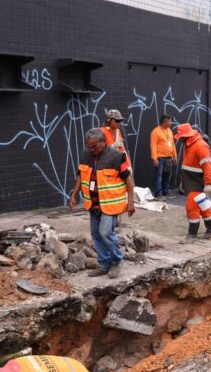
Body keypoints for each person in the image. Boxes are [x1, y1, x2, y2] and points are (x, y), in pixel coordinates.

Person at [68, 128, 135, 279]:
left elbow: (128, 180)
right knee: (96, 234)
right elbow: (80, 176)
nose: (92, 150)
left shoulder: (117, 156)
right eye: (89, 146)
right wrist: (74, 195)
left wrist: (130, 202)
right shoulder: (86, 154)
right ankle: (105, 264)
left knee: (105, 233)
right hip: (93, 203)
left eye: (95, 146)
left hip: (110, 203)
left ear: (103, 142)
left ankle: (117, 260)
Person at [175, 123, 211, 240]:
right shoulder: (187, 145)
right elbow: (186, 165)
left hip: (198, 182)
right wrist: (183, 182)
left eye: (181, 136)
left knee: (191, 207)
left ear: (186, 136)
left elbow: (208, 165)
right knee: (204, 206)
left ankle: (192, 234)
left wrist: (208, 183)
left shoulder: (200, 146)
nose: (179, 138)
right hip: (191, 181)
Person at [150, 114, 178, 199]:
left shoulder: (169, 131)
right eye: (169, 121)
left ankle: (165, 192)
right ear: (165, 121)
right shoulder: (155, 131)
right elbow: (153, 145)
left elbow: (172, 144)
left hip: (169, 157)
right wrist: (154, 158)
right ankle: (158, 194)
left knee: (167, 175)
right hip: (160, 158)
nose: (171, 123)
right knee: (159, 176)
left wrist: (175, 156)